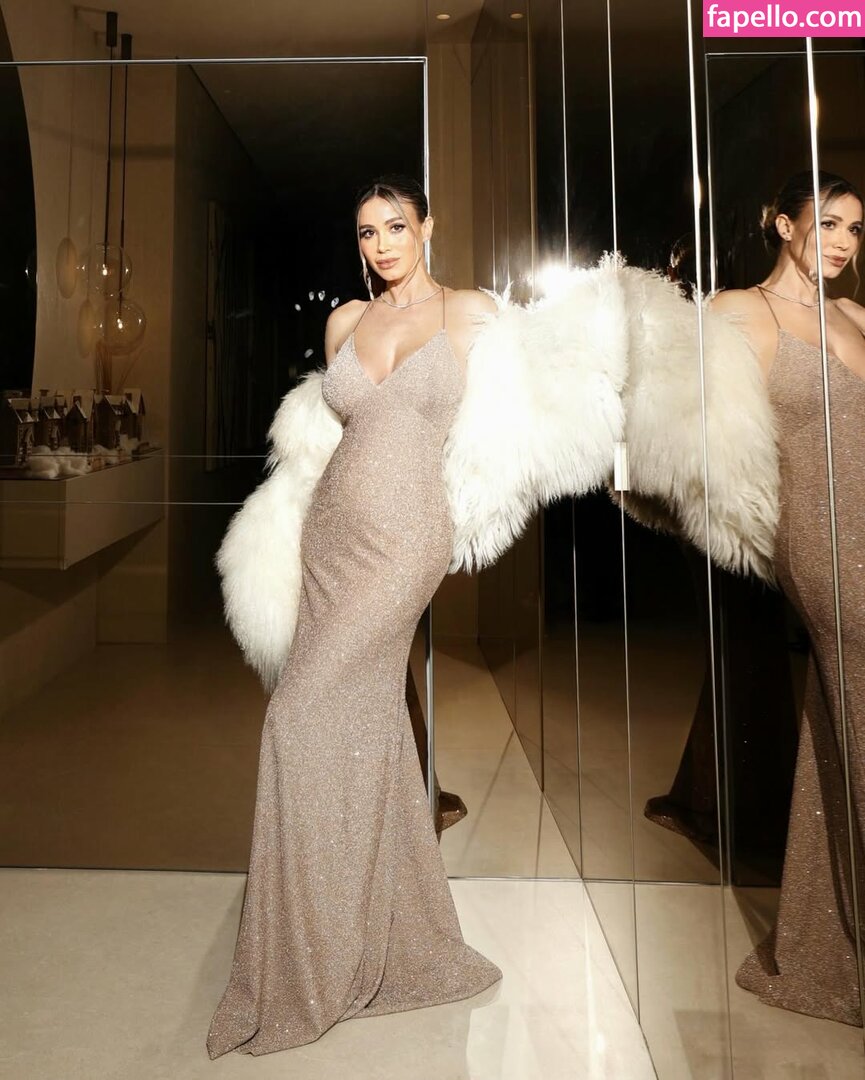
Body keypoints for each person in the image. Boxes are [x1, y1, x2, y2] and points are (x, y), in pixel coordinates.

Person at [206, 176, 503, 1058]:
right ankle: (378, 927)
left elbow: (507, 431)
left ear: (427, 228)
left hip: (407, 538)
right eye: (367, 232)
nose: (381, 245)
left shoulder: (470, 314)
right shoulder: (344, 321)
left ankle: (315, 945)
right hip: (330, 536)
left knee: (296, 719)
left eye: (396, 226)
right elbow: (330, 440)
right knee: (368, 723)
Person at [711, 171, 865, 1025]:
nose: (841, 242)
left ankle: (826, 940)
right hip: (821, 535)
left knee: (840, 722)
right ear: (783, 225)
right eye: (827, 223)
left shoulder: (856, 319)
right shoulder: (740, 312)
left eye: (854, 229)